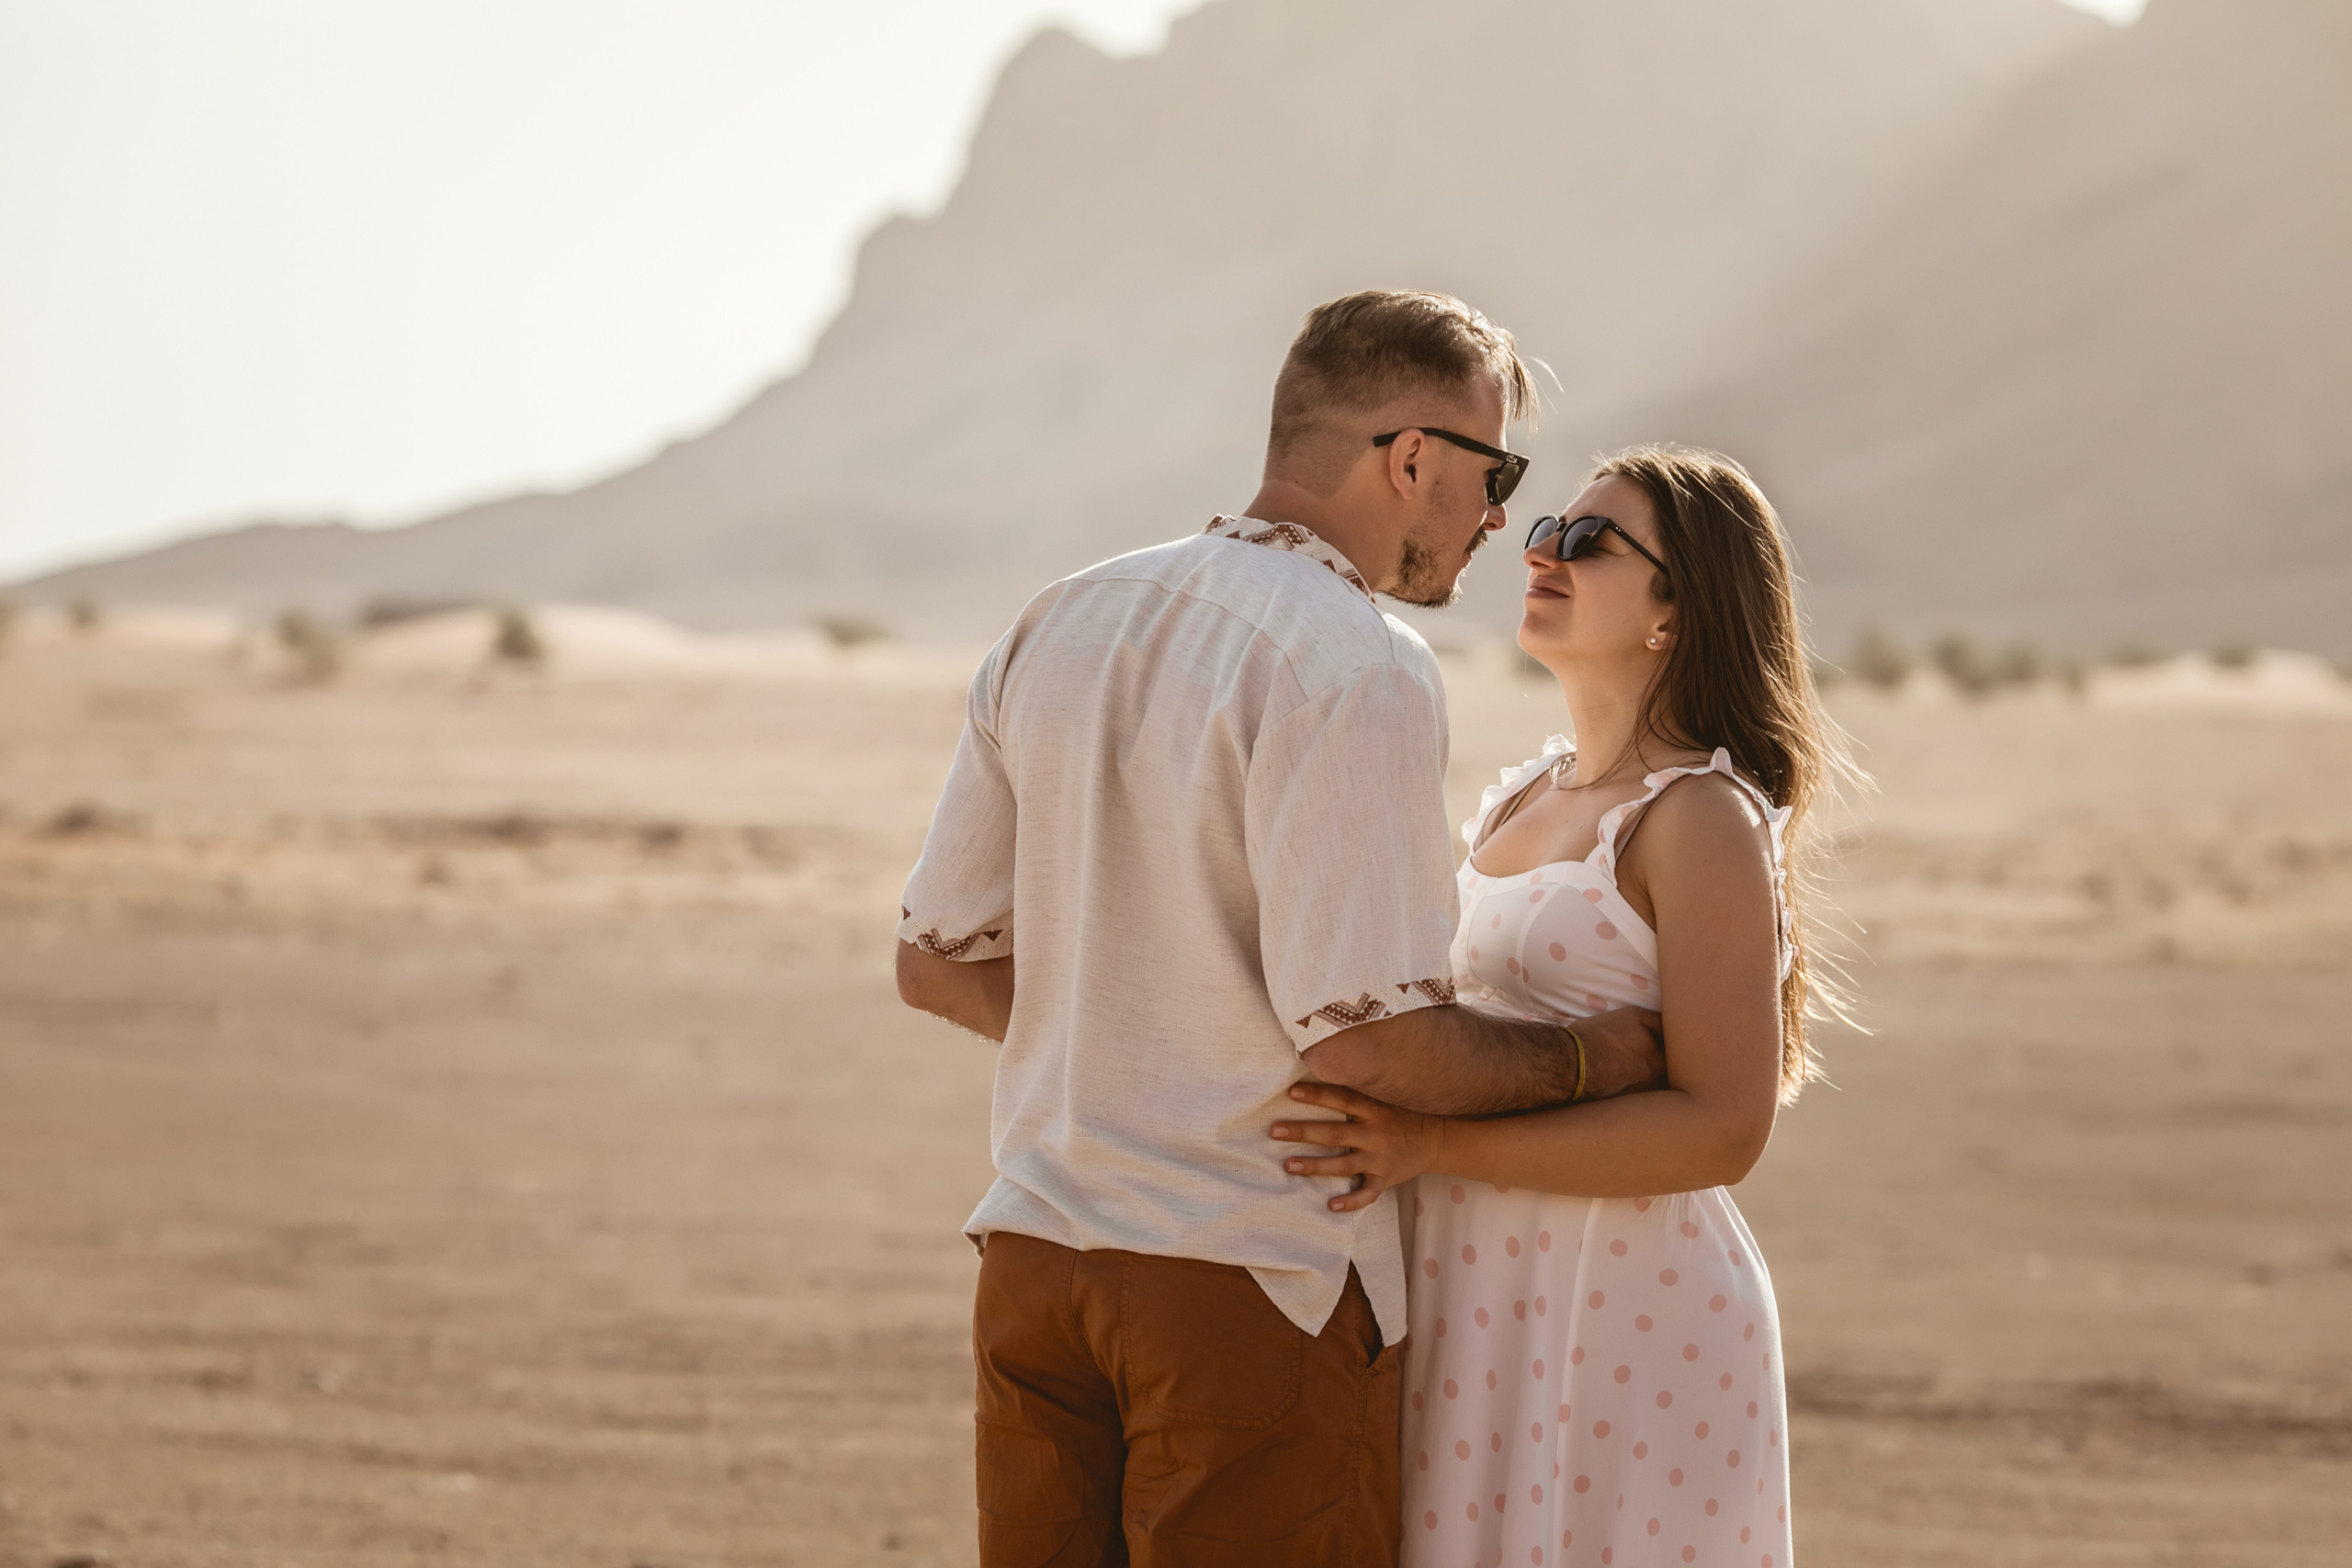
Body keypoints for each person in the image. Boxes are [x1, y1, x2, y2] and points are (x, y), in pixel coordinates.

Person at [894, 289, 1668, 1567]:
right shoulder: (1352, 661)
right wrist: (1598, 1062)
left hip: (1035, 1264)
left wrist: (1134, 1033)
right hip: (1246, 1281)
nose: (1494, 520)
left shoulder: (1060, 614)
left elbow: (935, 958)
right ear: (1413, 457)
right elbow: (1373, 1043)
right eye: (1495, 473)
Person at [1272, 446, 1852, 1568]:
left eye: (1589, 542)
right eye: (1545, 525)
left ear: (1675, 613)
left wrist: (1430, 1143)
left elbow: (1724, 1130)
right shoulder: (1519, 795)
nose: (1539, 550)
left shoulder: (1698, 818)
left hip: (1617, 1302)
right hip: (1475, 1293)